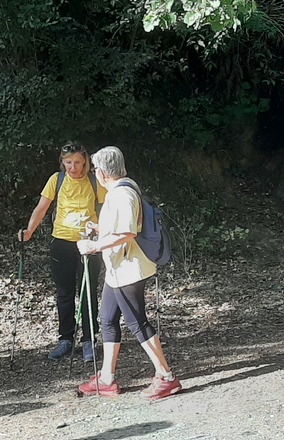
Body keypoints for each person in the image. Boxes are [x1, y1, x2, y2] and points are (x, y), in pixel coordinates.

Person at [75, 146, 181, 400]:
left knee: (137, 321)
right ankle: (107, 379)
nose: (95, 174)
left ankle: (166, 377)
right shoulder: (125, 188)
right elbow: (122, 227)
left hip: (128, 269)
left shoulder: (121, 195)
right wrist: (98, 228)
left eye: (95, 169)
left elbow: (127, 233)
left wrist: (93, 245)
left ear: (102, 172)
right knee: (107, 318)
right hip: (119, 268)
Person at [19, 142, 106, 362]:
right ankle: (65, 340)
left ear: (85, 160)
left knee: (88, 292)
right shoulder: (56, 180)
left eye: (77, 162)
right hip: (62, 243)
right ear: (62, 162)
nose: (73, 167)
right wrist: (29, 231)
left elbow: (106, 209)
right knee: (64, 293)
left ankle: (89, 340)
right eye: (68, 162)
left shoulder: (96, 181)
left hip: (89, 244)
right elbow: (42, 207)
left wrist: (104, 234)